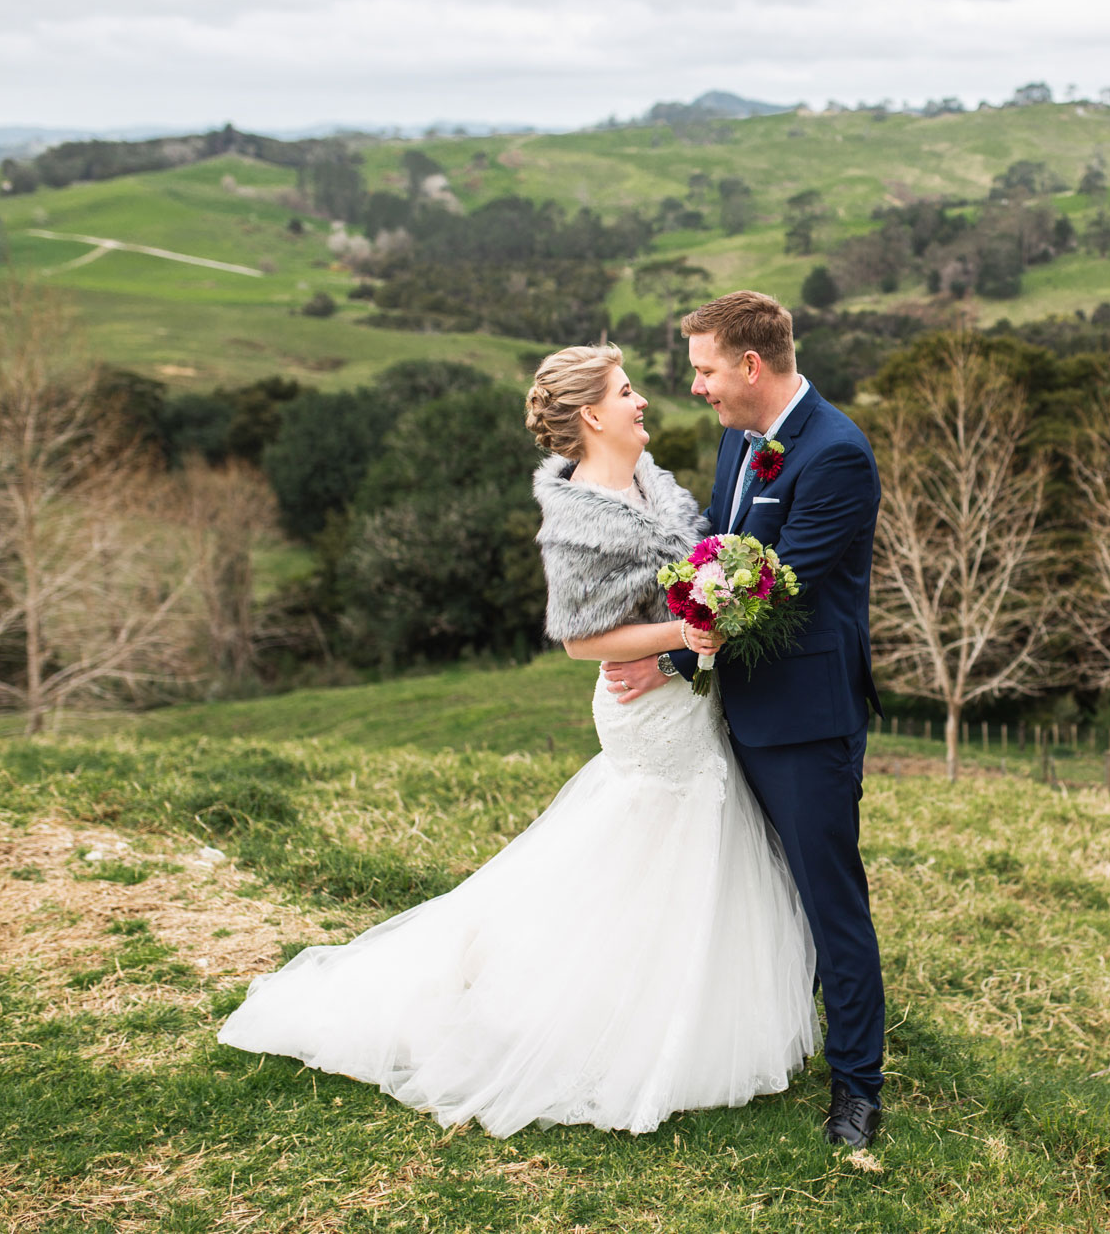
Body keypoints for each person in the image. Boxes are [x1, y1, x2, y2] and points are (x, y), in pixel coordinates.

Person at [216, 341, 818, 1139]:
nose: (644, 401)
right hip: (647, 708)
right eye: (627, 390)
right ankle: (587, 1016)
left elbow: (691, 563)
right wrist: (687, 628)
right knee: (646, 853)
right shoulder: (577, 518)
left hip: (685, 697)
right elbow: (578, 638)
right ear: (593, 415)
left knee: (685, 848)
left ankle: (681, 1002)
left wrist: (703, 618)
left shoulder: (650, 480)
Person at [599, 290, 886, 1148]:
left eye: (706, 369)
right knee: (756, 890)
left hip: (804, 718)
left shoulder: (837, 455)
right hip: (734, 713)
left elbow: (770, 586)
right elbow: (714, 553)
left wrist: (668, 656)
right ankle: (770, 1037)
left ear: (751, 366)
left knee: (828, 898)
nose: (697, 387)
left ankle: (858, 1089)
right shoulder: (738, 438)